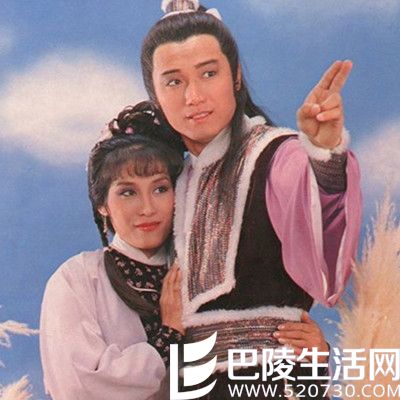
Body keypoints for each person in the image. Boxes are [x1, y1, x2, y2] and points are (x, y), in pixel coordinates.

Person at [140, 1, 362, 398]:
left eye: (209, 73)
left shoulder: (276, 155)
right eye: (174, 82)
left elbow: (326, 259)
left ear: (237, 75)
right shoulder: (171, 182)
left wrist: (323, 153)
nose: (194, 96)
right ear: (154, 95)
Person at [39, 101, 185, 400]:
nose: (147, 208)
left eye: (160, 188)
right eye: (128, 192)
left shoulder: (200, 269)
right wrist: (169, 335)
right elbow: (79, 385)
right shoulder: (77, 279)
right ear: (102, 204)